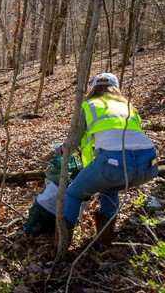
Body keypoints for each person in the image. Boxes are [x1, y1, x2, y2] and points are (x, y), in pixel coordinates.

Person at [60, 73, 158, 245]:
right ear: (116, 87)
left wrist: (62, 149)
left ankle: (62, 243)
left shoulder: (88, 105)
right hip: (149, 163)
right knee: (110, 188)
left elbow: (74, 140)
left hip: (113, 162)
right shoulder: (128, 106)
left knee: (73, 193)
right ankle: (105, 240)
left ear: (93, 88)